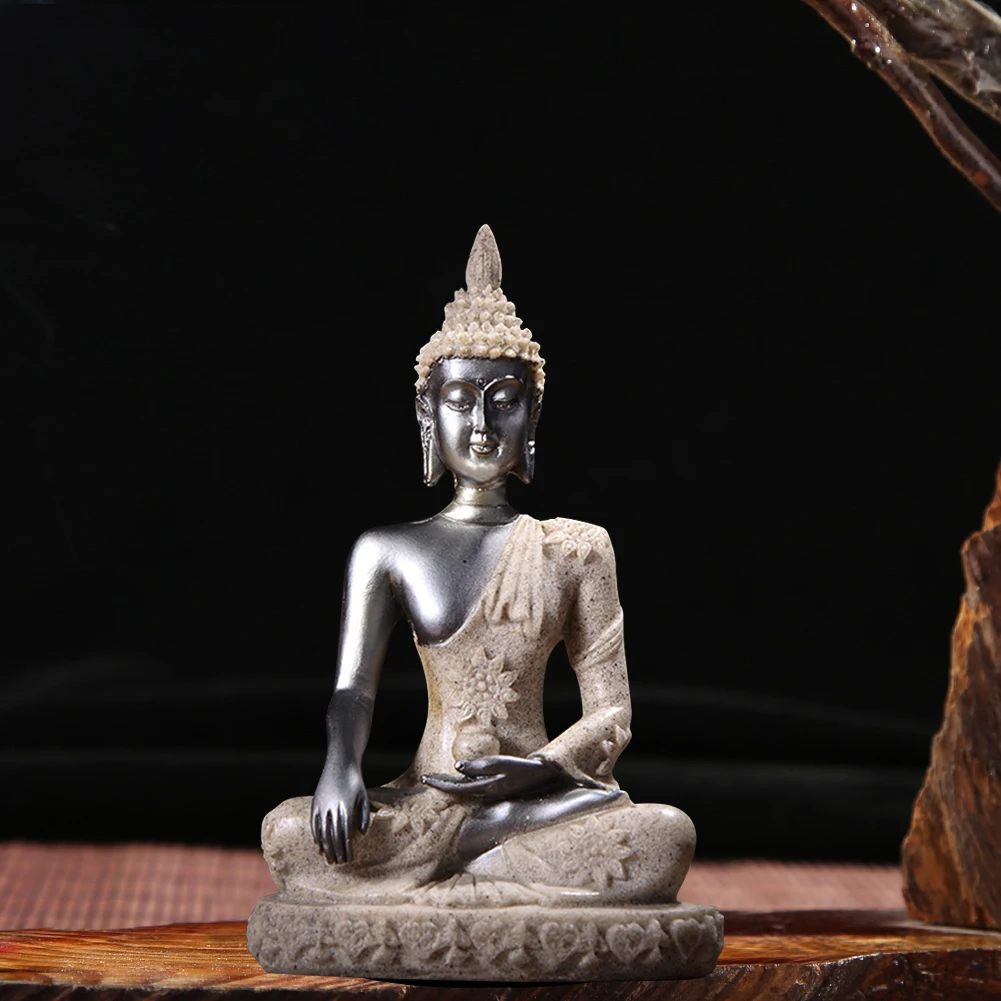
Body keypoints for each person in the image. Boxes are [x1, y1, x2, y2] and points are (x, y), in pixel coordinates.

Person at [259, 225, 696, 908]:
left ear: (533, 414)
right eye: (460, 401)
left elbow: (611, 710)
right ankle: (483, 863)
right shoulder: (387, 549)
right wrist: (340, 767)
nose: (483, 425)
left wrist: (539, 769)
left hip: (538, 799)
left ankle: (458, 865)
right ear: (427, 412)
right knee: (288, 833)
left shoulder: (576, 549)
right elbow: (353, 690)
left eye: (505, 400)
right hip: (426, 794)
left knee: (665, 834)